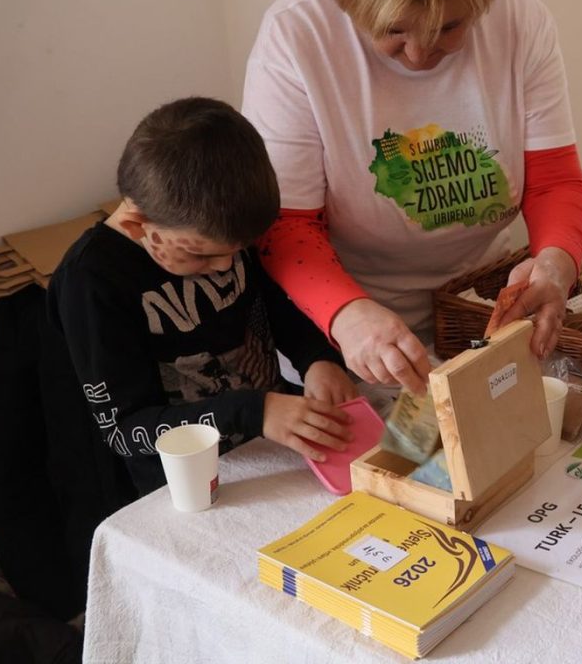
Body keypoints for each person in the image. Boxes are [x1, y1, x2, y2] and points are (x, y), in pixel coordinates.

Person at [242, 0, 582, 395]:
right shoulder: (298, 35)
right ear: (352, 4)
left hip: (471, 307)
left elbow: (553, 182)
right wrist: (349, 315)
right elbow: (285, 225)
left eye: (451, 28)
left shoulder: (521, 21)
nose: (421, 53)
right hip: (342, 332)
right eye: (394, 31)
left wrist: (556, 263)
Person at [48, 98, 358, 495]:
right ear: (138, 222)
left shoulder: (218, 226)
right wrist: (254, 411)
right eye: (203, 254)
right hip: (187, 487)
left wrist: (318, 359)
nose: (227, 266)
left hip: (272, 445)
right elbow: (125, 431)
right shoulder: (91, 281)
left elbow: (275, 308)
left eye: (237, 250)